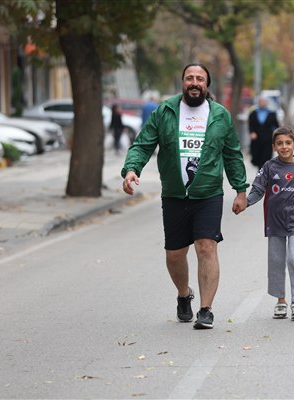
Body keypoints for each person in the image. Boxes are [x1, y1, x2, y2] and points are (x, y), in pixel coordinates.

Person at [121, 63, 249, 330]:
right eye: (190, 78)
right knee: (175, 254)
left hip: (208, 193)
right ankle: (183, 293)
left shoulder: (219, 115)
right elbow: (143, 144)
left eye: (200, 79)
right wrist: (132, 169)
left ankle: (206, 309)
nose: (194, 82)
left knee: (206, 247)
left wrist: (240, 189)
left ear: (206, 85)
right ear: (182, 83)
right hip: (174, 194)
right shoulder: (165, 111)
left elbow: (232, 154)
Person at [236, 126, 294, 321]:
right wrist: (246, 202)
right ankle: (281, 300)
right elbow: (257, 190)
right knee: (276, 261)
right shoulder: (269, 167)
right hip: (274, 222)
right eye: (280, 143)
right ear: (274, 146)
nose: (284, 147)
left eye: (288, 143)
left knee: (293, 259)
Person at [248, 97, 279, 169]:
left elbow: (276, 125)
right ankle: (260, 169)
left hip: (268, 138)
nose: (262, 103)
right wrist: (252, 132)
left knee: (267, 156)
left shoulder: (271, 113)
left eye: (263, 101)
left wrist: (276, 135)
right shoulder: (253, 113)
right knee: (257, 156)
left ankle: (264, 170)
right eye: (261, 101)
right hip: (257, 139)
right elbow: (251, 125)